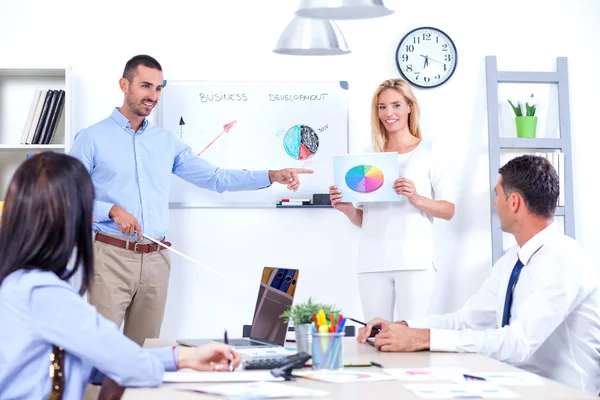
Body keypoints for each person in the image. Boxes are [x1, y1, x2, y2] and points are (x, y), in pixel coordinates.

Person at [70, 54, 312, 347]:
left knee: (145, 353)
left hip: (157, 258)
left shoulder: (166, 142)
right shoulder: (91, 138)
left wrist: (272, 174)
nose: (153, 96)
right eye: (146, 86)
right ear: (124, 84)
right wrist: (111, 210)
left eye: (159, 88)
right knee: (101, 352)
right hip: (109, 257)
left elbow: (216, 178)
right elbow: (71, 197)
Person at [0, 152, 242, 400]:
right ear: (70, 217)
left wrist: (186, 357)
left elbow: (97, 359)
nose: (92, 218)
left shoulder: (19, 283)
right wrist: (182, 358)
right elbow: (129, 364)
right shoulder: (41, 293)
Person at [357, 155, 600, 395]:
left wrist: (424, 338)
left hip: (561, 394)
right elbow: (466, 321)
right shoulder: (512, 261)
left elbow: (518, 344)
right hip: (516, 387)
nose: (495, 204)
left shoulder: (565, 260)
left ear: (514, 202)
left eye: (497, 194)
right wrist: (404, 326)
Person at [329, 78, 455, 322]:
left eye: (396, 105)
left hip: (414, 261)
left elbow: (448, 210)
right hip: (371, 261)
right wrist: (347, 210)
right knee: (376, 336)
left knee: (412, 335)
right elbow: (366, 219)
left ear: (410, 107)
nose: (389, 113)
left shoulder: (430, 151)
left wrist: (416, 198)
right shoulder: (367, 157)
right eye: (382, 107)